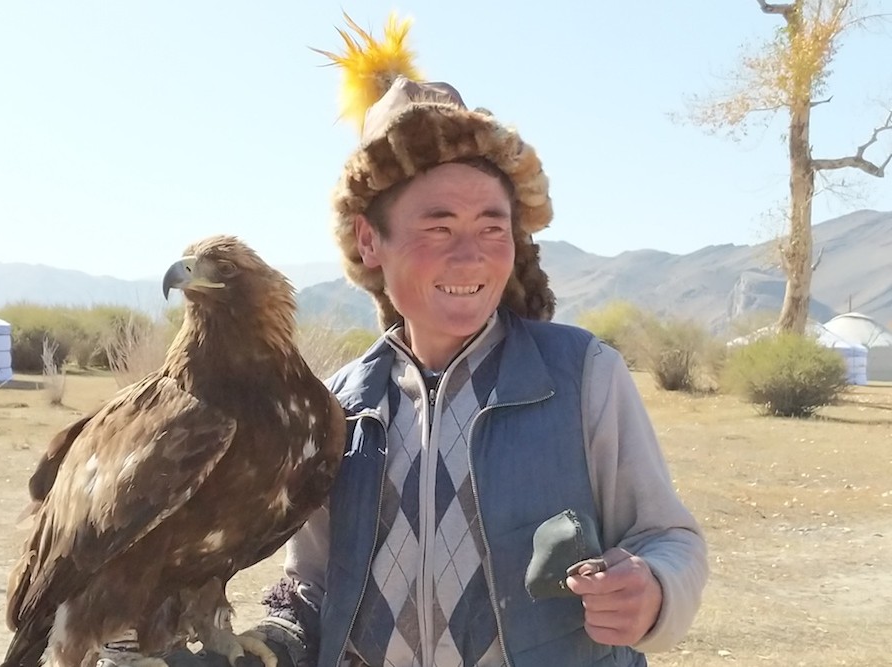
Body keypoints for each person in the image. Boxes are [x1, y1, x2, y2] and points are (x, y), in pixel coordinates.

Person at [169, 15, 707, 667]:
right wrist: (268, 646)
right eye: (439, 227)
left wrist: (652, 589)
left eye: (492, 227)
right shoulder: (336, 408)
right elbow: (311, 583)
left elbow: (667, 537)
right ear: (371, 240)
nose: (471, 259)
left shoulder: (582, 376)